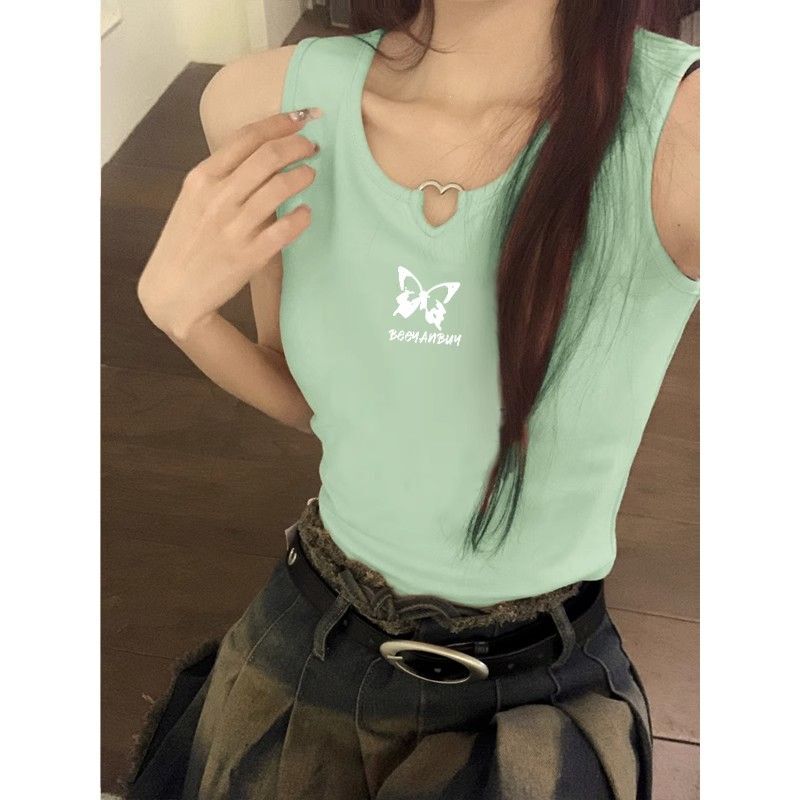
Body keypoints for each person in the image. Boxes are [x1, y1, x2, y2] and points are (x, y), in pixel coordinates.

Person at [122, 1, 699, 798]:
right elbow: (317, 397)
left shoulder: (694, 137)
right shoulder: (261, 103)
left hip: (540, 694)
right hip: (312, 636)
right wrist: (180, 319)